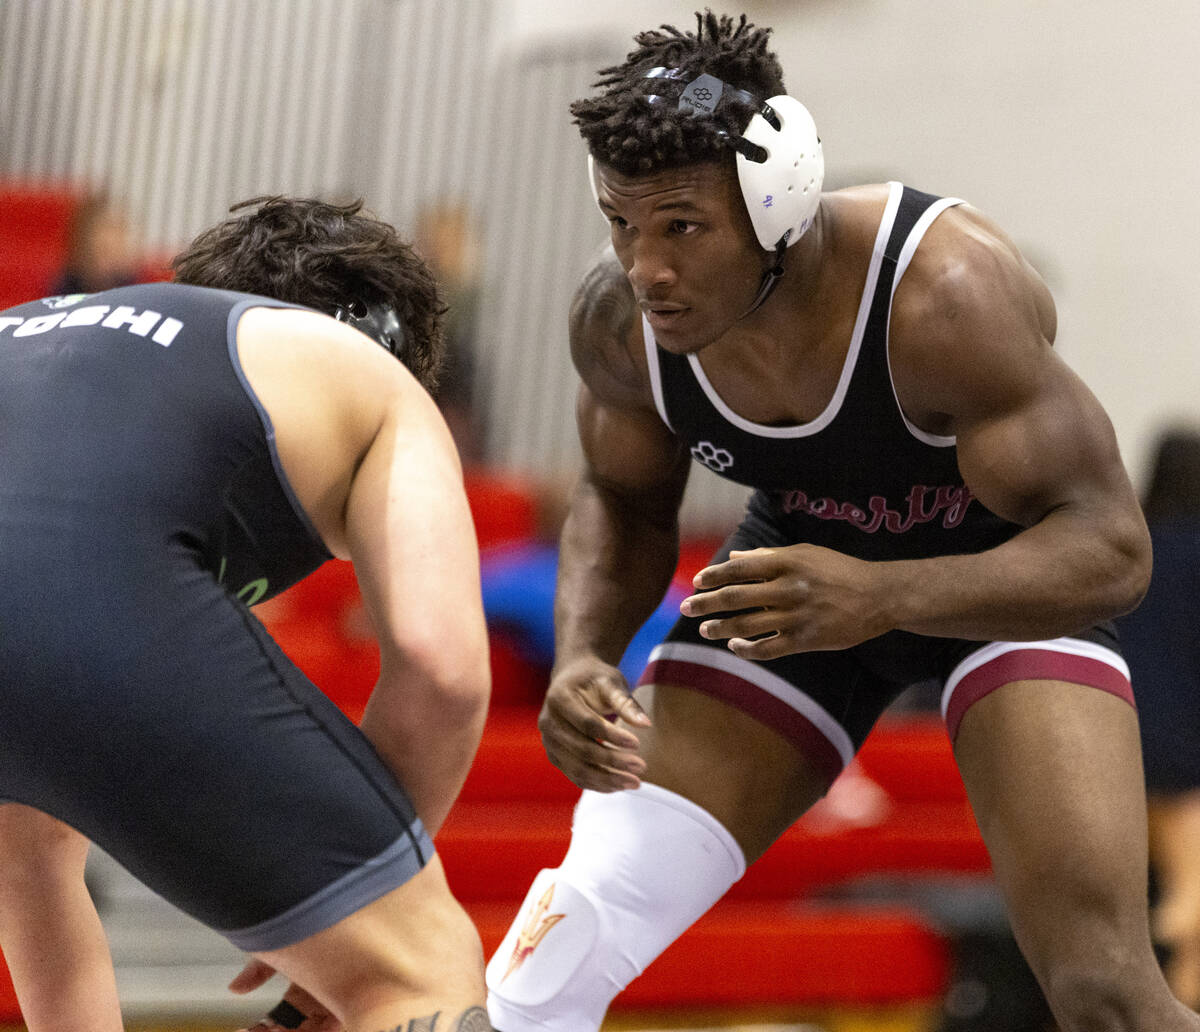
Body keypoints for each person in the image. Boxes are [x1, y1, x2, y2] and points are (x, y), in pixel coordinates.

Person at [484, 12, 1196, 1032]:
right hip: (802, 580)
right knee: (546, 969)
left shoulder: (941, 295)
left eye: (681, 226)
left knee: (1103, 994)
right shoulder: (621, 326)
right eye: (620, 225)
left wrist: (886, 593)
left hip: (1002, 578)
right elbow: (624, 498)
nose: (646, 269)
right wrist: (585, 656)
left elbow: (1113, 549)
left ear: (777, 200)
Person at [0, 196, 494, 1032]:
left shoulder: (47, 331)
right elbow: (442, 672)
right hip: (87, 604)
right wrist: (364, 885)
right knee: (421, 971)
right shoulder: (363, 369)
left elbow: (31, 869)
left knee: (28, 863)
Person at [1117, 427, 1200, 1009]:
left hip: (1115, 727)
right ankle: (1181, 988)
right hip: (1184, 736)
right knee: (1187, 887)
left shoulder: (1131, 551)